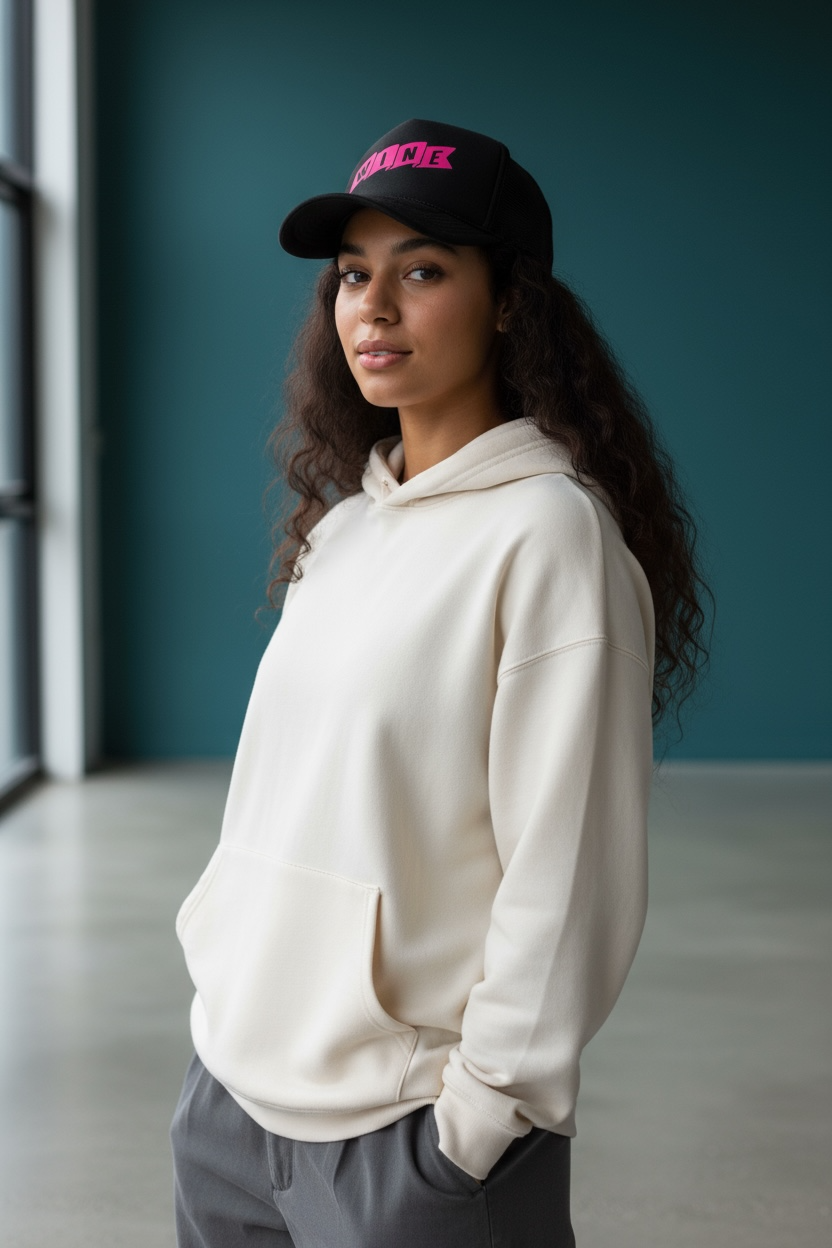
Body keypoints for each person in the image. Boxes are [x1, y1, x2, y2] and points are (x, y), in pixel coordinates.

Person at [169, 118, 713, 1247]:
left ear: (509, 301)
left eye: (422, 271)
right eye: (353, 275)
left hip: (409, 1140)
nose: (373, 306)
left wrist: (475, 1128)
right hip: (231, 1102)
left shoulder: (550, 540)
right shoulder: (348, 526)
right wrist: (219, 1007)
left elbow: (567, 877)